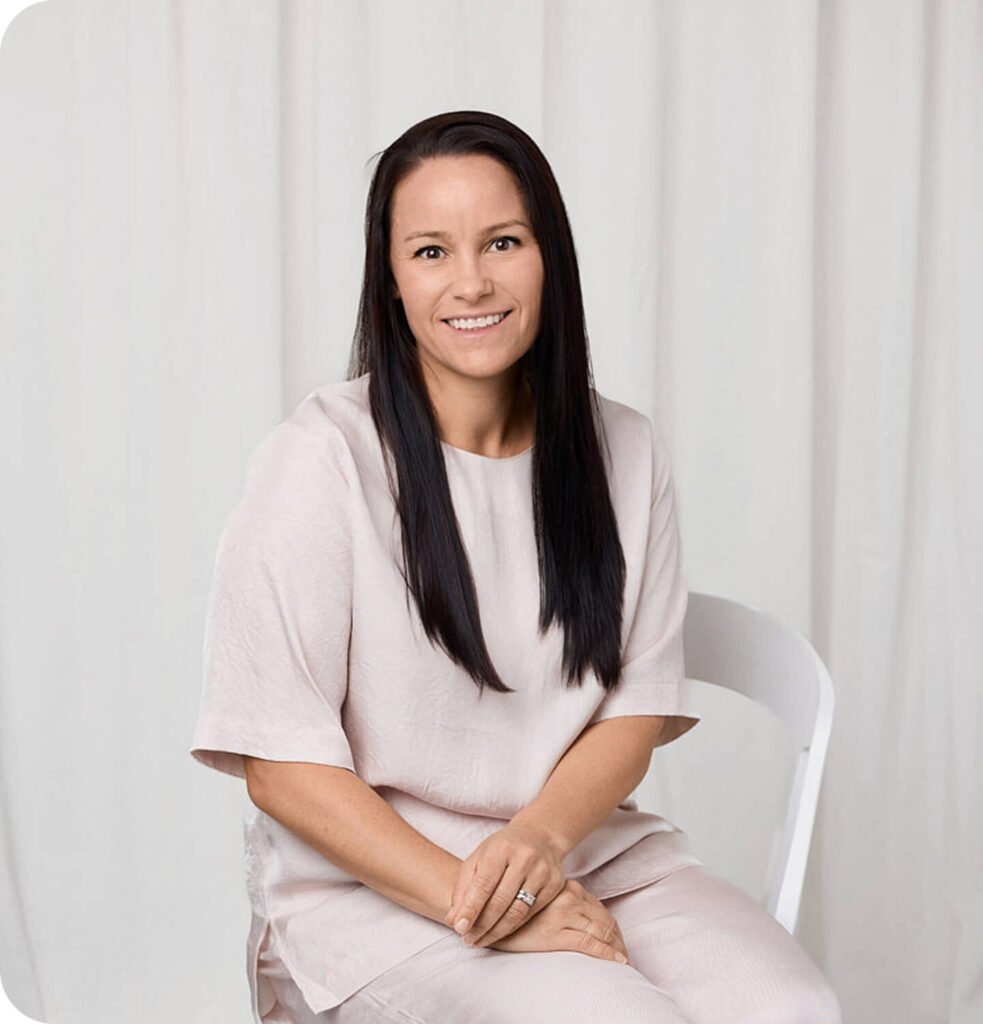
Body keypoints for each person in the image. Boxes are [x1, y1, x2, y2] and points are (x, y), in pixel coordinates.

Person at [189, 110, 842, 1024]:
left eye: (502, 241)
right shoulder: (319, 460)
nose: (470, 282)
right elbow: (280, 766)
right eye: (429, 252)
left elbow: (635, 705)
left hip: (580, 853)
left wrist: (536, 848)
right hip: (372, 894)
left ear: (549, 257)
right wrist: (486, 903)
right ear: (390, 281)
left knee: (792, 1011)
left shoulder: (623, 450)